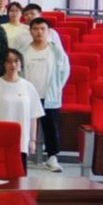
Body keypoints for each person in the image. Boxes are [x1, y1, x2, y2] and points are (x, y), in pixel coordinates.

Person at [0, 49, 47, 171]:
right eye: (9, 61)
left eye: (16, 61)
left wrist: (32, 140)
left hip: (21, 141)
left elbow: (33, 116)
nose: (13, 65)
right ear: (3, 64)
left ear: (21, 64)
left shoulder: (28, 87)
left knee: (20, 176)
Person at [20, 18, 70, 172]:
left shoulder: (56, 51)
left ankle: (52, 157)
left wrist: (56, 88)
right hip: (27, 96)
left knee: (51, 128)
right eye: (35, 29)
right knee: (24, 126)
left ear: (48, 32)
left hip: (49, 96)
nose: (39, 32)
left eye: (42, 29)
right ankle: (21, 157)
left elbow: (64, 72)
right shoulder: (23, 51)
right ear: (30, 31)